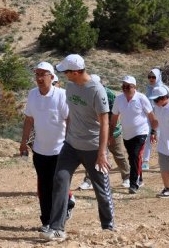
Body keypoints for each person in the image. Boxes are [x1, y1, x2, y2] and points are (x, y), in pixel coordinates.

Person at [41, 54, 115, 242]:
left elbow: (105, 123)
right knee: (59, 180)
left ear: (75, 72)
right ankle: (57, 228)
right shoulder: (71, 86)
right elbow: (72, 115)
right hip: (71, 145)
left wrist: (102, 153)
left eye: (66, 72)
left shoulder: (97, 91)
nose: (63, 75)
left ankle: (108, 225)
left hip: (93, 147)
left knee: (101, 188)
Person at [19, 62, 72, 232]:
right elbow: (29, 120)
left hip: (60, 150)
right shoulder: (32, 95)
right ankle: (46, 220)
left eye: (43, 74)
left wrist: (70, 143)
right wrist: (23, 143)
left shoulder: (62, 95)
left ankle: (57, 222)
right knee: (43, 186)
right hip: (40, 150)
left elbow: (69, 120)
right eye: (37, 74)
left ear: (52, 77)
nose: (40, 78)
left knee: (57, 186)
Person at [78, 74, 130, 190]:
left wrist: (110, 134)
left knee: (119, 154)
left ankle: (127, 177)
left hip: (112, 130)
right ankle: (89, 180)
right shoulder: (85, 94)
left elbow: (113, 116)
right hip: (94, 131)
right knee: (91, 155)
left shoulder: (110, 95)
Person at [110, 76, 157, 194]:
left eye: (128, 86)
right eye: (123, 86)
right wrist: (110, 134)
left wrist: (153, 131)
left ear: (134, 87)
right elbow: (114, 118)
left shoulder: (141, 98)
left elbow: (151, 116)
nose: (125, 89)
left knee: (135, 156)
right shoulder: (119, 99)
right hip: (126, 134)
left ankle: (133, 184)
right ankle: (139, 178)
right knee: (133, 157)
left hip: (141, 132)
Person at [144, 68, 169, 169]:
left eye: (153, 77)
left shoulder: (163, 88)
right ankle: (145, 161)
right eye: (149, 77)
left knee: (162, 138)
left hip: (161, 117)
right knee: (148, 137)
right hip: (149, 116)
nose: (151, 79)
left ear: (158, 77)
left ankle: (168, 159)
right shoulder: (148, 88)